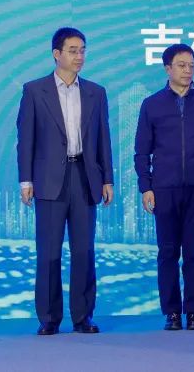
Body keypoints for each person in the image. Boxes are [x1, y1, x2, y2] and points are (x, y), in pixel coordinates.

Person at [17, 27, 114, 336]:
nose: (79, 56)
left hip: (85, 177)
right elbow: (25, 139)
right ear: (56, 54)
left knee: (84, 251)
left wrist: (107, 179)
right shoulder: (35, 90)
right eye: (73, 50)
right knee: (49, 252)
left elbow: (103, 139)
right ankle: (49, 317)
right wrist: (25, 180)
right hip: (48, 180)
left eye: (82, 50)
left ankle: (83, 317)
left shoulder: (96, 92)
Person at [135, 43, 194, 331]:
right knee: (167, 252)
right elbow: (142, 151)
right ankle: (172, 312)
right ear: (168, 69)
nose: (188, 70)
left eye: (191, 65)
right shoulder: (152, 104)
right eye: (181, 65)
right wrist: (146, 186)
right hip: (164, 189)